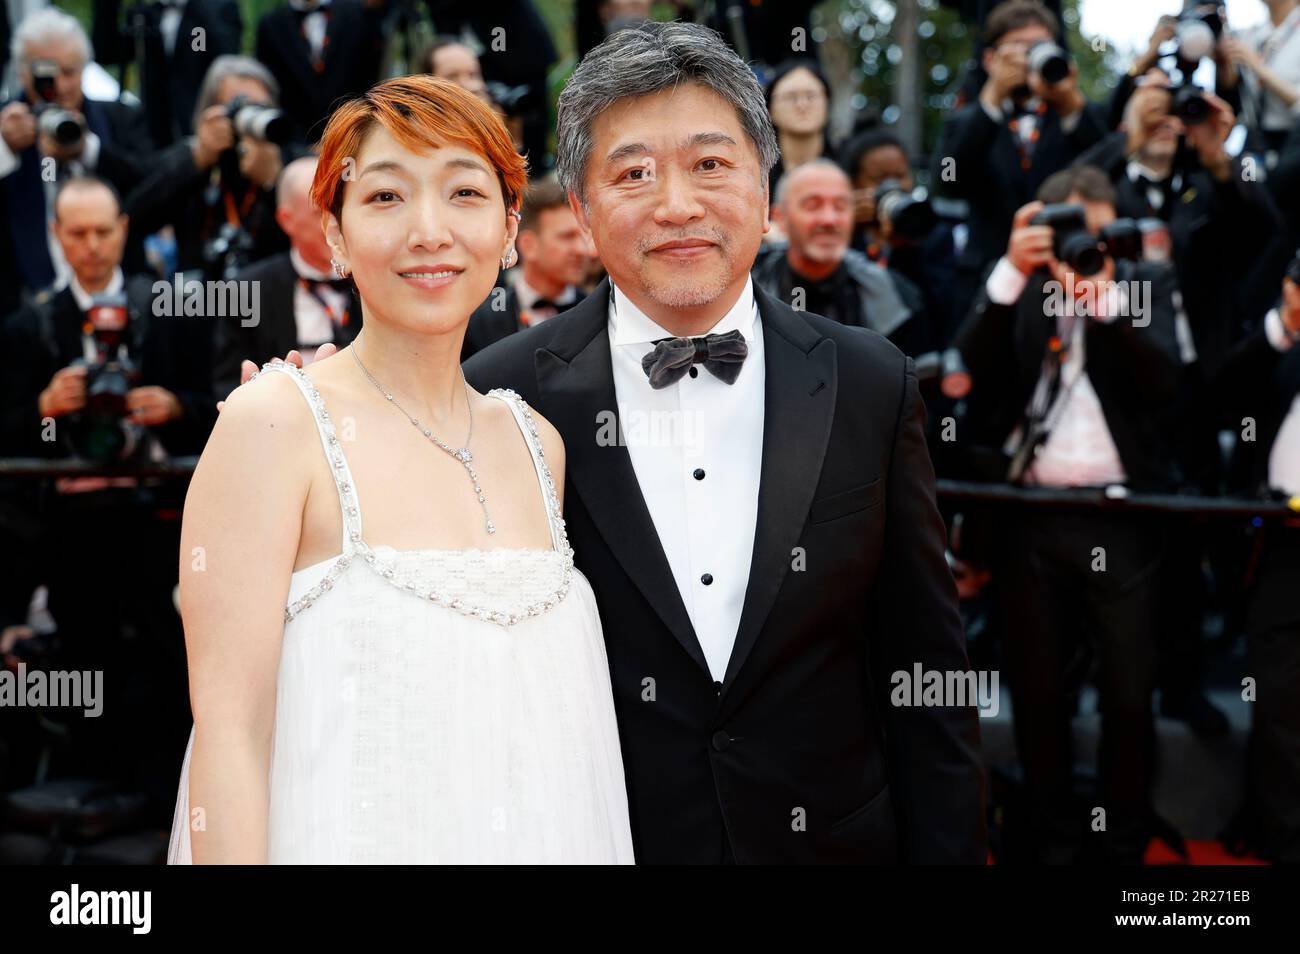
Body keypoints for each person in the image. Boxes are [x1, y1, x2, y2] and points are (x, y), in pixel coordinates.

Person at [243, 21, 987, 865]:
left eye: (711, 164)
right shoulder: (498, 395)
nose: (677, 204)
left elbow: (928, 674)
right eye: (634, 173)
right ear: (585, 211)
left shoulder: (870, 381)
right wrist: (299, 412)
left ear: (765, 192)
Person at [166, 76, 634, 863]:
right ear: (336, 234)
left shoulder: (537, 444)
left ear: (510, 227)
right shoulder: (273, 424)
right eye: (385, 198)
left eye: (464, 193)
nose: (429, 231)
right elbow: (230, 739)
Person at [951, 166, 1184, 863]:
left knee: (1129, 688)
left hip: (1124, 514)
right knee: (1036, 685)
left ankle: (1124, 837)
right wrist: (1008, 275)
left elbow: (1169, 386)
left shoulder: (1146, 288)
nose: (1087, 245)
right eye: (1071, 231)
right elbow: (964, 373)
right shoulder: (1019, 288)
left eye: (1099, 231)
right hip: (1029, 516)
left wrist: (1106, 299)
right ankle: (1046, 837)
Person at [932, 0, 1106, 323]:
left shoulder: (1076, 115)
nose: (1031, 58)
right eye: (1019, 48)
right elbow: (948, 182)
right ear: (989, 58)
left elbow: (1108, 173)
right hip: (988, 282)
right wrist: (992, 98)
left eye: (1039, 47)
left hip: (1067, 282)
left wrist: (1070, 105)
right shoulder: (968, 120)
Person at [0, 7, 153, 314]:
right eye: (45, 74)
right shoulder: (7, 124)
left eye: (69, 72)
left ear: (85, 69)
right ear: (22, 73)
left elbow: (153, 188)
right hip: (24, 310)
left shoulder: (118, 119)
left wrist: (88, 150)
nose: (58, 86)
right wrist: (4, 149)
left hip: (116, 301)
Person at [213, 156, 361, 400]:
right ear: (286, 220)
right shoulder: (246, 290)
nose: (334, 225)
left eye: (338, 209)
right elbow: (227, 386)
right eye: (319, 214)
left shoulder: (376, 275)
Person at [751, 159, 928, 357]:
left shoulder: (893, 294)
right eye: (813, 206)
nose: (829, 220)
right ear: (779, 217)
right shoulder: (743, 288)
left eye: (840, 206)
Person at [462, 176, 592, 359]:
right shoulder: (479, 320)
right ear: (528, 245)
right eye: (567, 237)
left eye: (583, 236)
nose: (582, 249)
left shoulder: (599, 314)